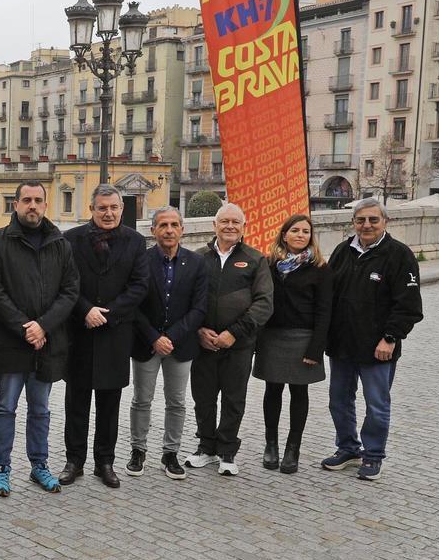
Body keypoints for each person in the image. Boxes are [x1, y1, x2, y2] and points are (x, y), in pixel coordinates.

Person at [0, 180, 80, 497]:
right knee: (5, 408)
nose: (32, 205)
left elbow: (70, 291)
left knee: (41, 409)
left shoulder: (59, 243)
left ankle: (39, 465)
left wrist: (43, 327)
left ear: (45, 205)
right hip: (10, 342)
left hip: (46, 344)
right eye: (26, 200)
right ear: (16, 204)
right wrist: (26, 326)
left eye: (38, 200)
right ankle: (1, 469)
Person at [322, 198, 423, 481]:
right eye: (361, 220)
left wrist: (390, 338)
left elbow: (409, 306)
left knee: (376, 404)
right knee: (338, 401)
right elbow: (327, 296)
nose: (366, 225)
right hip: (342, 346)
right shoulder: (343, 251)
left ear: (385, 222)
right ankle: (348, 448)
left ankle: (373, 454)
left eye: (373, 220)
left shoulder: (399, 255)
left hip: (379, 348)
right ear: (353, 222)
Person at [59, 185, 148, 489]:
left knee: (110, 404)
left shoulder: (136, 242)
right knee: (76, 402)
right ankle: (74, 461)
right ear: (91, 209)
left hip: (115, 334)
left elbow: (139, 286)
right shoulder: (70, 240)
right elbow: (66, 283)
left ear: (122, 209)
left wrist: (107, 313)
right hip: (80, 333)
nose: (108, 213)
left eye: (114, 207)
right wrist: (85, 310)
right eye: (102, 208)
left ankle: (105, 462)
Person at [184, 203, 273, 476]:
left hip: (239, 344)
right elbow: (186, 299)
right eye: (225, 221)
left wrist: (234, 332)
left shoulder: (256, 260)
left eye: (236, 222)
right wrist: (198, 330)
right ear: (215, 225)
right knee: (204, 398)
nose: (230, 227)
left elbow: (264, 303)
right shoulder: (198, 258)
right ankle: (206, 448)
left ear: (244, 227)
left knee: (234, 399)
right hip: (204, 343)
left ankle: (227, 452)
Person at [128, 206, 209, 480]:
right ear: (153, 231)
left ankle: (170, 453)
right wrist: (154, 337)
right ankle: (138, 450)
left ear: (182, 230)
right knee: (142, 400)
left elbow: (199, 308)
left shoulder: (197, 263)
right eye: (163, 225)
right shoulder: (141, 261)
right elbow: (133, 305)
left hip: (180, 345)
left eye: (174, 225)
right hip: (145, 343)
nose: (169, 230)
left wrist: (170, 337)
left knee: (177, 402)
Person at [253, 214, 332, 474]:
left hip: (304, 338)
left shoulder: (320, 268)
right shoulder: (269, 264)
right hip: (273, 336)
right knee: (272, 390)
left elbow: (324, 311)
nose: (301, 235)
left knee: (299, 393)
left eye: (306, 231)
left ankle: (292, 448)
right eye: (295, 230)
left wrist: (316, 348)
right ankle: (271, 445)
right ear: (284, 235)